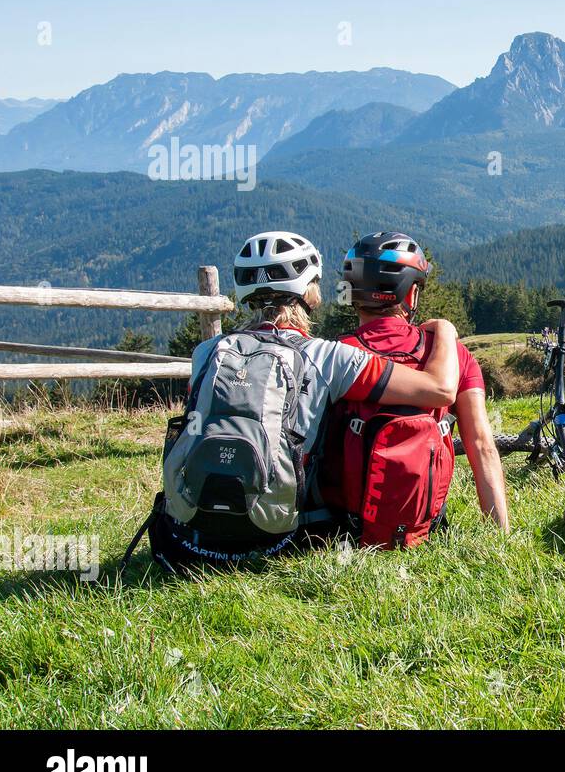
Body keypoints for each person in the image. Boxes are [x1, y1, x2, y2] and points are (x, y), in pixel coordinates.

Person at [145, 231, 465, 572]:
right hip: (277, 542)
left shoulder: (207, 353)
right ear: (308, 293)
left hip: (187, 540)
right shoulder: (327, 357)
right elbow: (440, 389)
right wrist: (445, 330)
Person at [336, 232, 509, 532]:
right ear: (410, 294)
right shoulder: (452, 357)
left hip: (346, 534)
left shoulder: (335, 355)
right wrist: (500, 536)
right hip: (425, 531)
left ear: (352, 292)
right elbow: (482, 446)